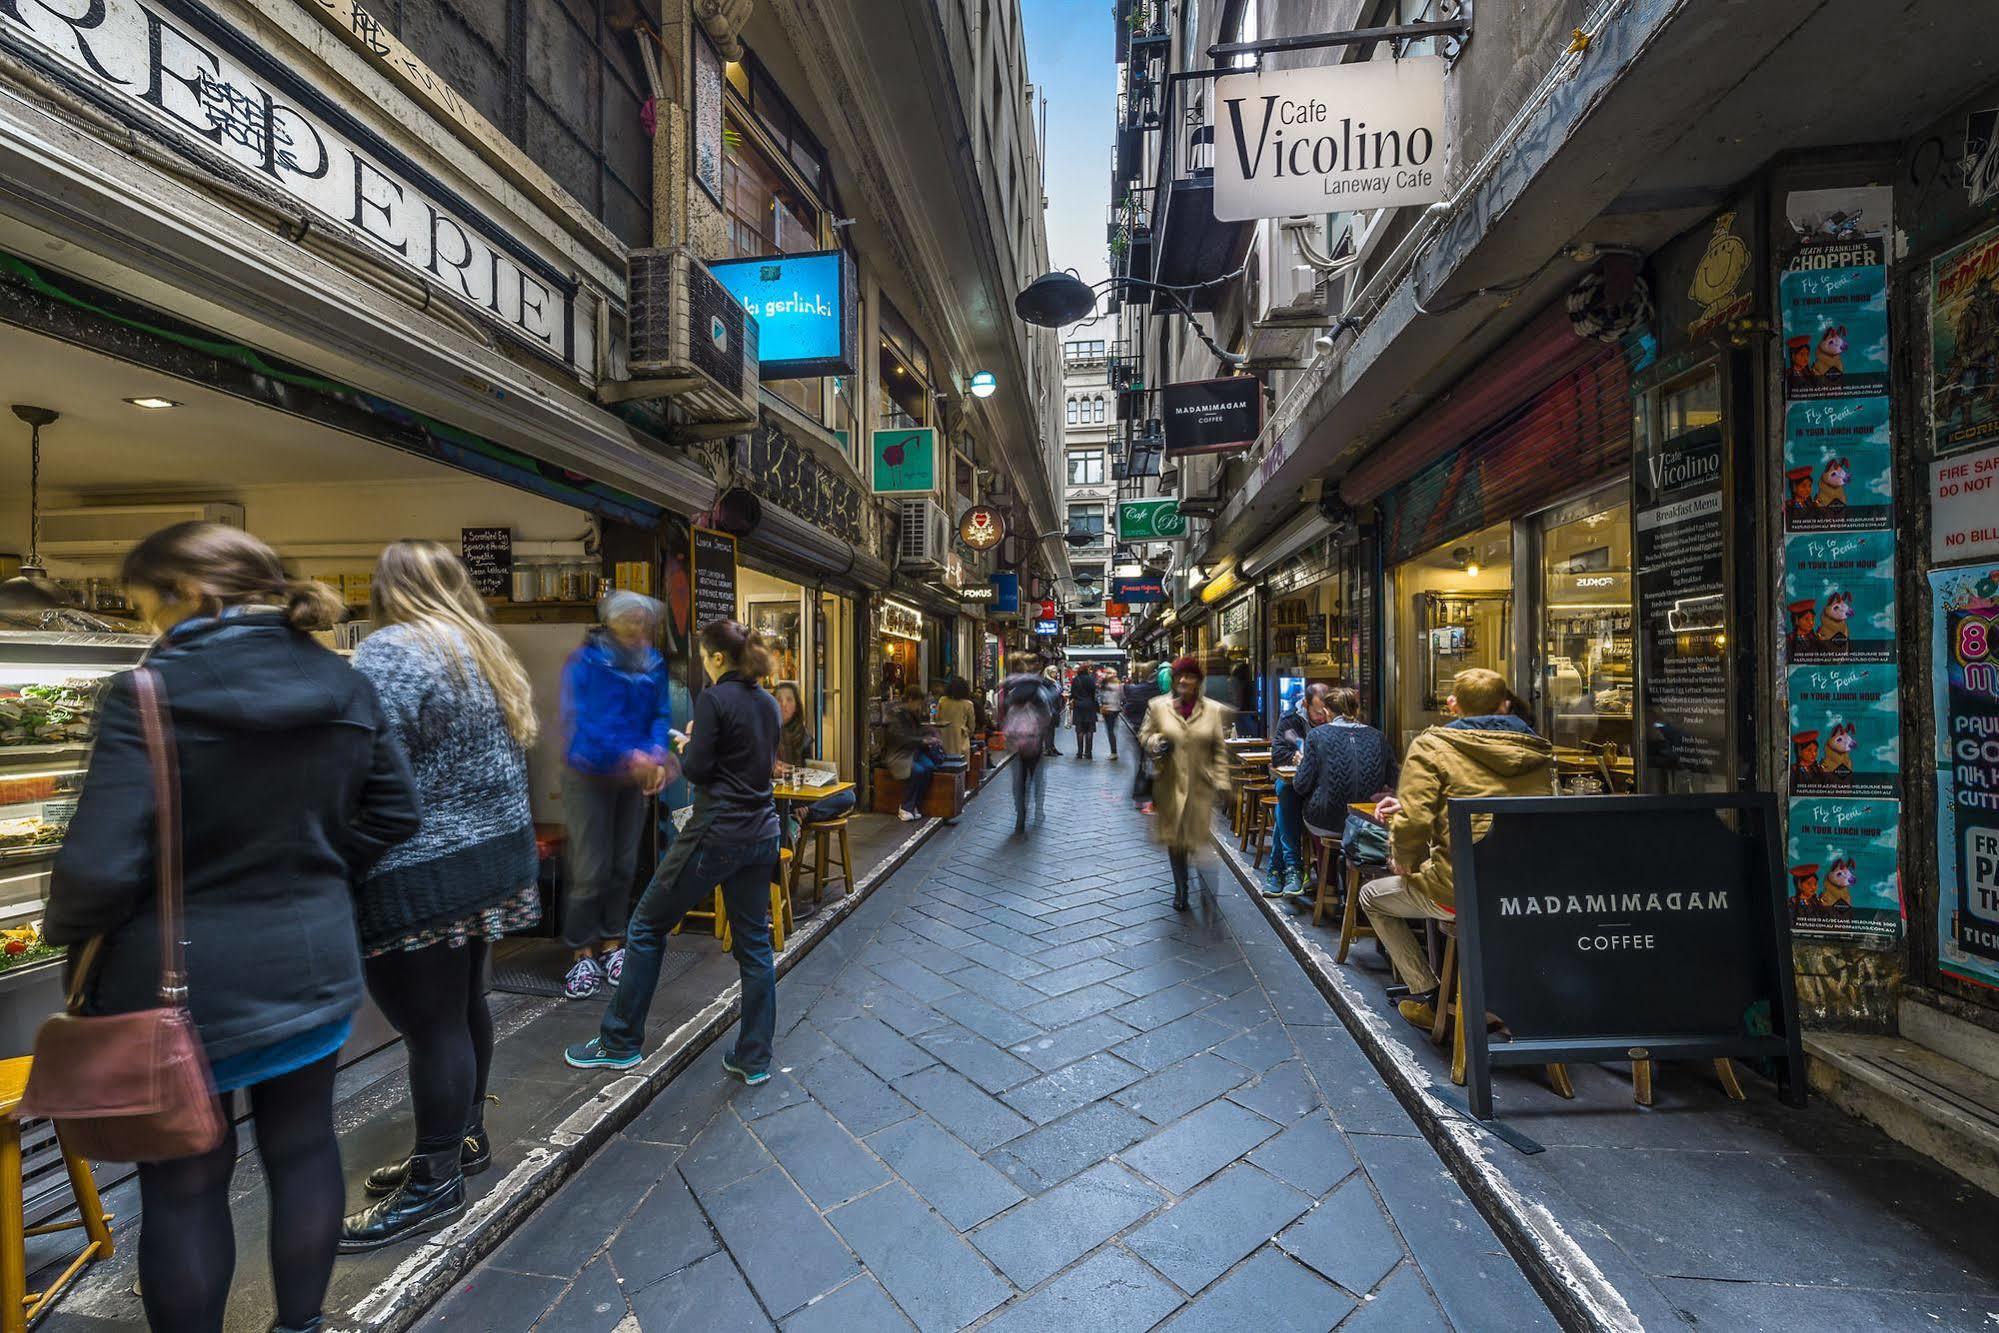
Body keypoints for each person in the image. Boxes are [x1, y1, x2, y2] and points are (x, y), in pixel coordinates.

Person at [44, 522, 421, 1333]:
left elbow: (98, 869)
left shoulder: (148, 693)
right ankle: (301, 1324)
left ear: (189, 595)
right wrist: (320, 864)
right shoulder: (346, 683)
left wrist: (70, 937)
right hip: (314, 964)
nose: (151, 626)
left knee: (183, 1185)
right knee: (305, 1148)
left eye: (148, 606)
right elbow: (397, 810)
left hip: (179, 985)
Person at [333, 542, 541, 1250]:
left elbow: (357, 759)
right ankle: (463, 1141)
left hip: (420, 867)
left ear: (387, 590)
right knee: (463, 1006)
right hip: (492, 859)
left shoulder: (390, 650)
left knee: (431, 1026)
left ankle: (433, 1184)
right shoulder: (482, 648)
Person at [566, 621, 783, 1083]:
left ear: (718, 658)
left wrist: (687, 744)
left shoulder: (714, 699)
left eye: (705, 656)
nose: (703, 664)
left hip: (717, 831)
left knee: (645, 925)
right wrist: (701, 742)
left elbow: (702, 770)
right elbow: (751, 762)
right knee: (754, 945)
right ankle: (754, 1057)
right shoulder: (766, 702)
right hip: (762, 832)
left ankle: (620, 1041)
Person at [1360, 669, 1554, 1029]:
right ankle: (1496, 998)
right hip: (1529, 894)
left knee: (1372, 896)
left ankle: (1430, 996)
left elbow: (1415, 822)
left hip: (1459, 891)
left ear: (1452, 705)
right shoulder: (1537, 750)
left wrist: (1403, 859)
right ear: (1505, 704)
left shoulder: (1434, 746)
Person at [559, 592, 674, 999]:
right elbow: (584, 722)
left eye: (643, 620)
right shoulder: (587, 663)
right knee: (590, 869)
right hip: (588, 774)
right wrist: (633, 756)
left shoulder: (654, 663)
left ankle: (612, 943)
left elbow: (660, 715)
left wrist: (657, 753)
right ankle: (580, 952)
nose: (637, 627)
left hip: (632, 780)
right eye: (629, 619)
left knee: (624, 864)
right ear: (611, 621)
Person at [1141, 657, 1230, 910]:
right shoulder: (1158, 707)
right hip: (1169, 785)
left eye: (1189, 676)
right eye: (1179, 676)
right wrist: (1156, 742)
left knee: (1199, 841)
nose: (1183, 680)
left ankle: (1207, 892)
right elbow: (1144, 735)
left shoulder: (1212, 710)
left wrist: (1222, 782)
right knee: (1176, 841)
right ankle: (1181, 890)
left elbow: (1219, 750)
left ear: (1198, 680)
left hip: (1201, 786)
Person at [1292, 687, 1395, 887]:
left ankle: (1327, 883)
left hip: (1326, 819)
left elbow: (1300, 785)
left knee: (1308, 812)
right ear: (1355, 711)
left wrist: (1301, 764)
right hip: (1368, 821)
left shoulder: (1317, 736)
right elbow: (1393, 781)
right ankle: (1356, 886)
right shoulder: (1378, 736)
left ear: (1328, 712)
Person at [1264, 683, 1333, 898]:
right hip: (1297, 783)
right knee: (1285, 789)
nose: (1321, 717)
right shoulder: (1291, 720)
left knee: (1285, 802)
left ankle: (1279, 870)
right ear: (1305, 704)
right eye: (1317, 711)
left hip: (1325, 788)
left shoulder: (1336, 720)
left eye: (1325, 711)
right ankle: (1292, 867)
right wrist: (1295, 756)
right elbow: (1277, 755)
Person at [772, 681, 856, 830]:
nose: (784, 704)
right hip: (776, 796)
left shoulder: (802, 734)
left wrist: (804, 801)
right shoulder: (766, 731)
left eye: (789, 700)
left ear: (796, 706)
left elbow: (807, 772)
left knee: (848, 796)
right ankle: (797, 815)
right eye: (779, 700)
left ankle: (803, 815)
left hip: (800, 795)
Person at [997, 654, 1055, 832]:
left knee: (1019, 780)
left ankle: (1020, 813)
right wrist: (1042, 732)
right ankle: (1038, 808)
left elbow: (1003, 713)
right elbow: (1047, 714)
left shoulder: (1011, 690)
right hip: (1034, 740)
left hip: (1016, 742)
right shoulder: (1039, 690)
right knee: (1037, 776)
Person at [882, 683, 939, 821]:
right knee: (918, 770)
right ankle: (906, 807)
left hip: (912, 752)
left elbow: (916, 732)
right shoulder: (895, 715)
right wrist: (923, 741)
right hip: (899, 755)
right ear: (910, 700)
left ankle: (915, 805)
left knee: (929, 767)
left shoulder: (910, 714)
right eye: (918, 704)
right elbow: (900, 738)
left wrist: (929, 735)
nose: (919, 707)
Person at [1122, 663, 1161, 810]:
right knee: (1155, 763)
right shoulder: (1159, 690)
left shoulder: (1136, 689)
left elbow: (1128, 709)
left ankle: (1140, 795)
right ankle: (1151, 795)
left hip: (1139, 731)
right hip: (1157, 731)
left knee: (1143, 764)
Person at [936, 676, 977, 762]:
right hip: (960, 739)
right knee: (961, 767)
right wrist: (966, 731)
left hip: (944, 738)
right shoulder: (968, 704)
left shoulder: (942, 701)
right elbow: (972, 726)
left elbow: (937, 719)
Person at [1070, 664, 1102, 759]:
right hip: (1090, 706)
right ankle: (1088, 752)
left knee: (1079, 730)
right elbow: (1094, 693)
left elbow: (1073, 693)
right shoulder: (1091, 679)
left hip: (1078, 706)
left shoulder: (1076, 679)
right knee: (1089, 730)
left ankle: (1079, 753)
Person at [1098, 669, 1123, 759]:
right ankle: (1113, 751)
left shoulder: (1106, 684)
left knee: (1110, 731)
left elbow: (1102, 696)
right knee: (1112, 731)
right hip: (1115, 709)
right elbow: (1121, 696)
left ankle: (1114, 752)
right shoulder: (1118, 684)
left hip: (1108, 709)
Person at [1042, 664, 1066, 755]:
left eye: (1056, 672)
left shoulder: (1055, 682)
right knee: (1048, 729)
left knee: (1052, 729)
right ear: (1049, 672)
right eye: (1054, 672)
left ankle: (1052, 747)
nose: (1056, 674)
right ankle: (1048, 749)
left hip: (1055, 707)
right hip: (1049, 708)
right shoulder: (1046, 682)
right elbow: (1048, 695)